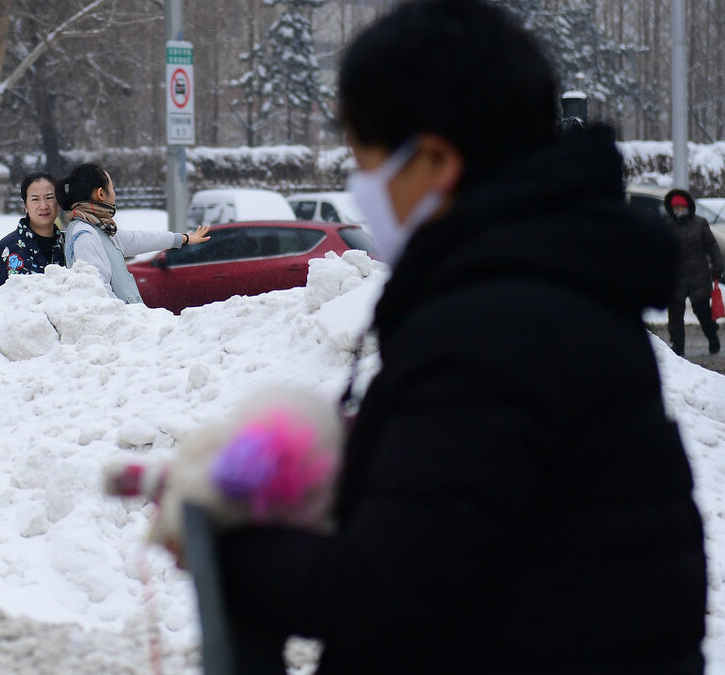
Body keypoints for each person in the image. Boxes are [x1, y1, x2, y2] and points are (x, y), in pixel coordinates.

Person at [213, 1, 707, 673]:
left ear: (437, 160)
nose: (360, 186)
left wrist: (228, 541)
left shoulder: (494, 327)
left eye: (364, 156)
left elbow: (384, 589)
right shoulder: (550, 289)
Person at [56, 163, 210, 303]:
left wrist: (183, 239)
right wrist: (129, 320)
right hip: (118, 328)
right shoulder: (84, 236)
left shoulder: (101, 230)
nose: (114, 194)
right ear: (101, 194)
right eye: (112, 187)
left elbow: (140, 239)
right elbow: (98, 293)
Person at [664, 188, 723, 356]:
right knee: (675, 315)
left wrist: (717, 266)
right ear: (672, 209)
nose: (680, 211)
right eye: (677, 208)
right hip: (676, 277)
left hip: (699, 276)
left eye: (682, 207)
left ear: (688, 207)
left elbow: (712, 246)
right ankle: (677, 347)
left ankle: (712, 338)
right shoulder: (667, 225)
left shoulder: (700, 223)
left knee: (703, 312)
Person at [0, 172, 65, 296]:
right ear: (25, 205)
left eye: (49, 197)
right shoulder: (5, 250)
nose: (43, 206)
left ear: (59, 202)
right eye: (35, 199)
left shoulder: (68, 245)